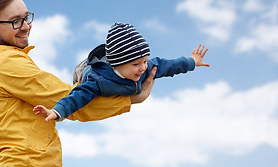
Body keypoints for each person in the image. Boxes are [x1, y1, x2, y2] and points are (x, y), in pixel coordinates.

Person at [0, 0, 156, 167]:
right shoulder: (6, 64)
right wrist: (130, 99)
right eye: (15, 21)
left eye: (27, 17)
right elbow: (66, 99)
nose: (26, 27)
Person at [34, 23, 210, 121]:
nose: (142, 68)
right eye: (135, 64)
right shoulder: (98, 81)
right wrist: (57, 111)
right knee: (83, 85)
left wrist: (192, 61)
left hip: (116, 72)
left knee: (155, 65)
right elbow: (77, 96)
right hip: (88, 72)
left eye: (144, 60)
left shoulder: (146, 67)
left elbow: (169, 65)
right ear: (118, 65)